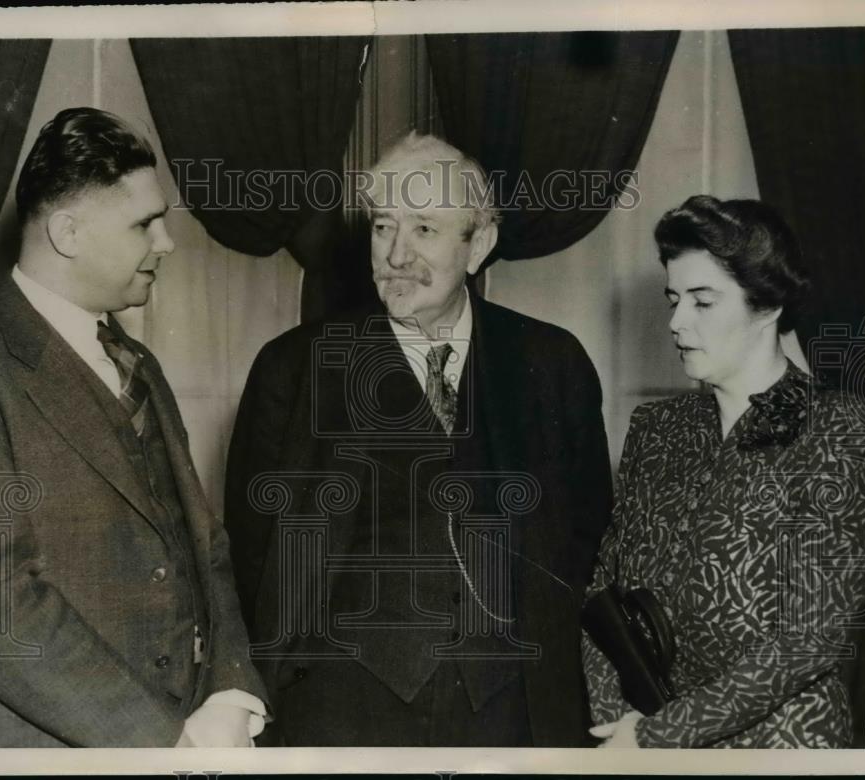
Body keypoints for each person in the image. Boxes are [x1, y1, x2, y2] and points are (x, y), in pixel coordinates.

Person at [224, 132, 612, 746]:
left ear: (478, 245)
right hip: (341, 711)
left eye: (425, 229)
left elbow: (584, 533)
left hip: (512, 709)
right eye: (384, 227)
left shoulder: (551, 362)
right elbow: (254, 552)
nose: (397, 255)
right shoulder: (293, 368)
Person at [0, 107, 267, 747]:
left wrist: (231, 690)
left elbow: (205, 546)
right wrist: (165, 745)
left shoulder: (136, 360)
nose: (166, 243)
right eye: (145, 223)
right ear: (68, 233)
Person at [582, 195, 865, 748]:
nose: (676, 322)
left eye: (703, 301)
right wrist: (614, 719)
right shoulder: (657, 428)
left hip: (782, 744)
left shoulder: (840, 429)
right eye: (674, 299)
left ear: (768, 305)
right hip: (642, 734)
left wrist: (657, 737)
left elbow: (808, 640)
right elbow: (604, 590)